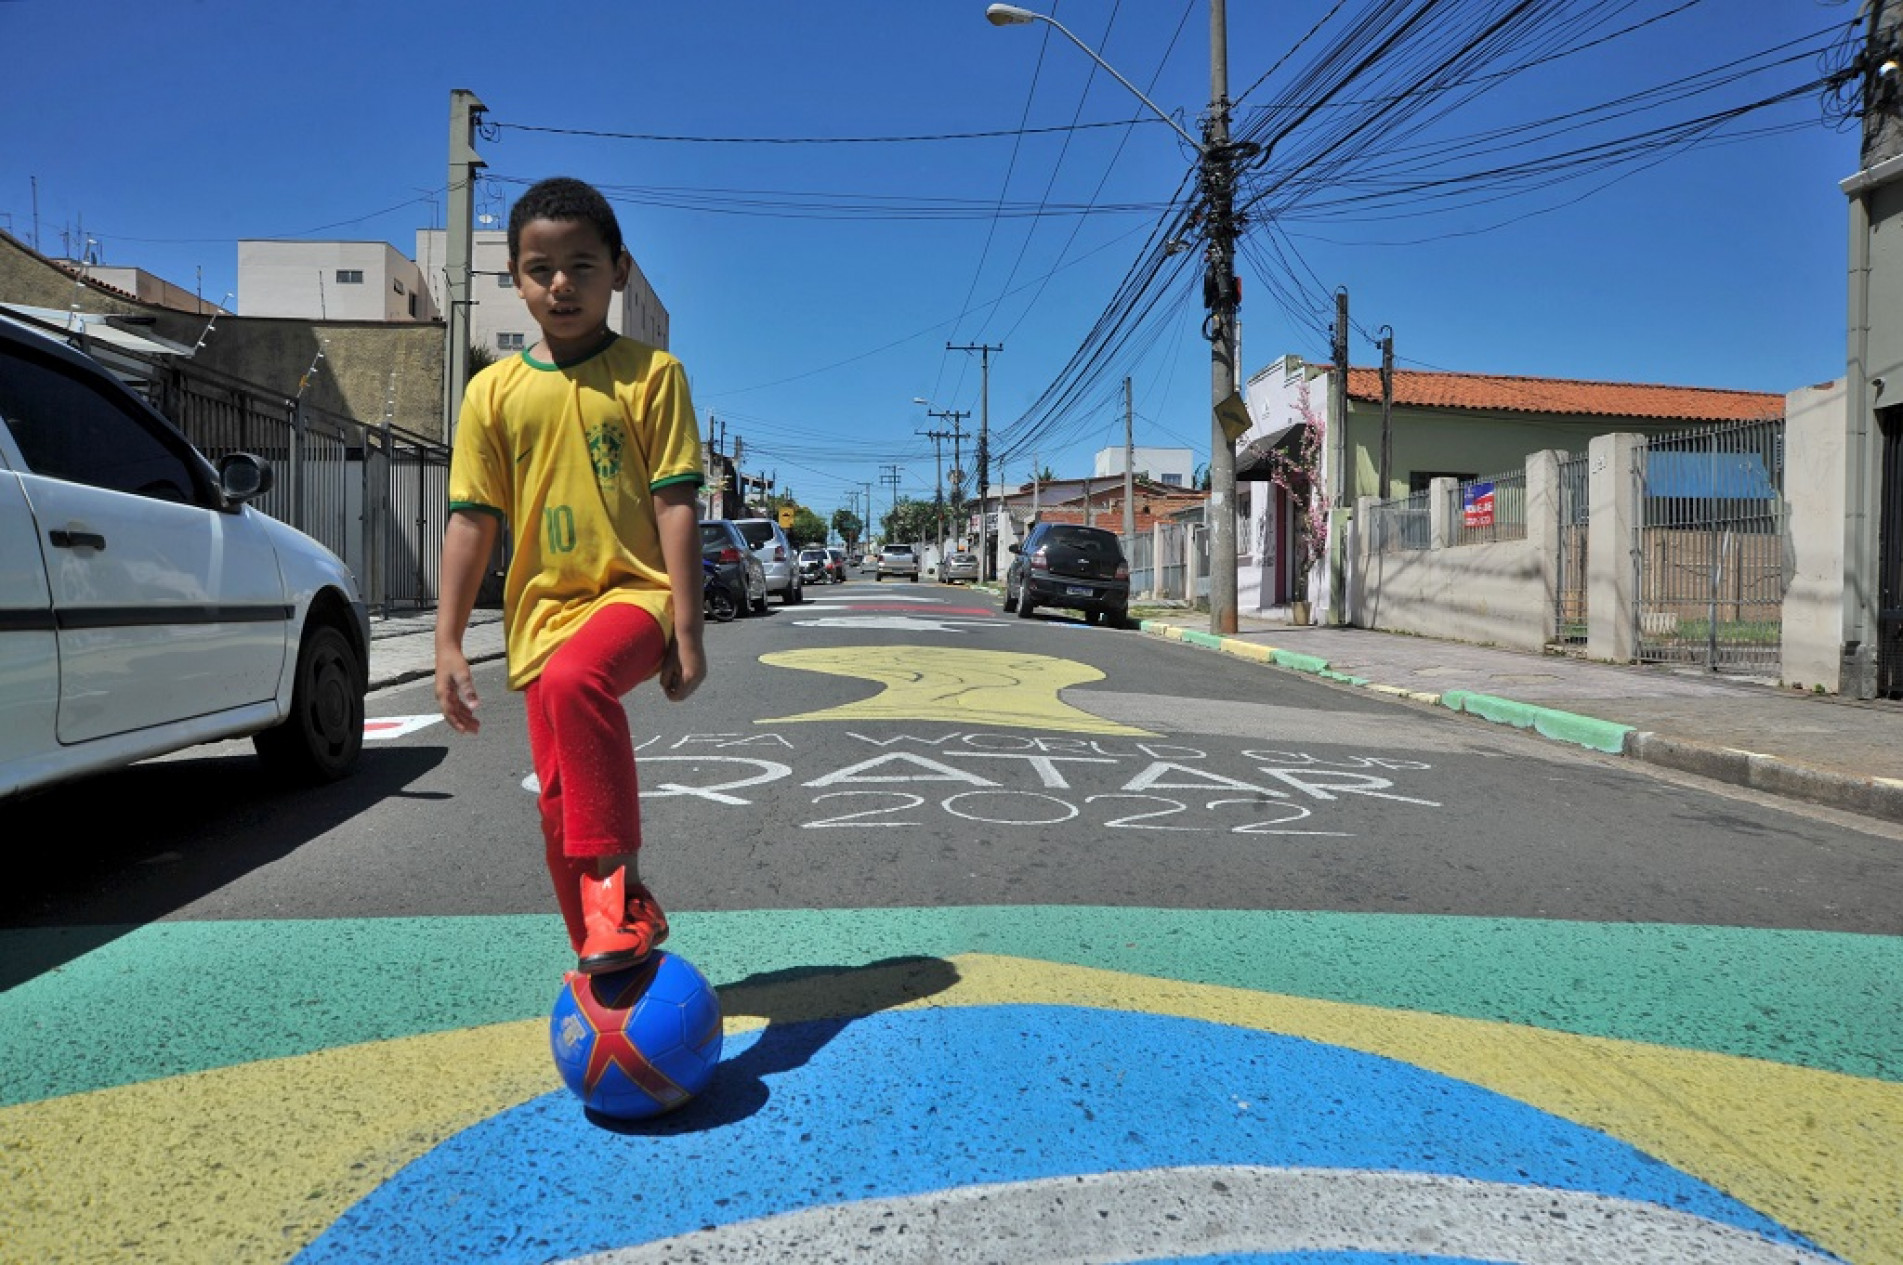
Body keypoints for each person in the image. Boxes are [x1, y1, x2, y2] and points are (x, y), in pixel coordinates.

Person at [434, 176, 706, 975]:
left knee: (576, 681)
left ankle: (618, 901)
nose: (561, 284)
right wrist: (448, 641)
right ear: (515, 279)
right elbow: (470, 521)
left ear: (619, 270)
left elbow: (677, 506)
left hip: (635, 595)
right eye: (540, 268)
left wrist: (687, 629)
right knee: (556, 804)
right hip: (541, 616)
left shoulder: (652, 376)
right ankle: (602, 951)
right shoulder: (493, 392)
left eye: (583, 266)